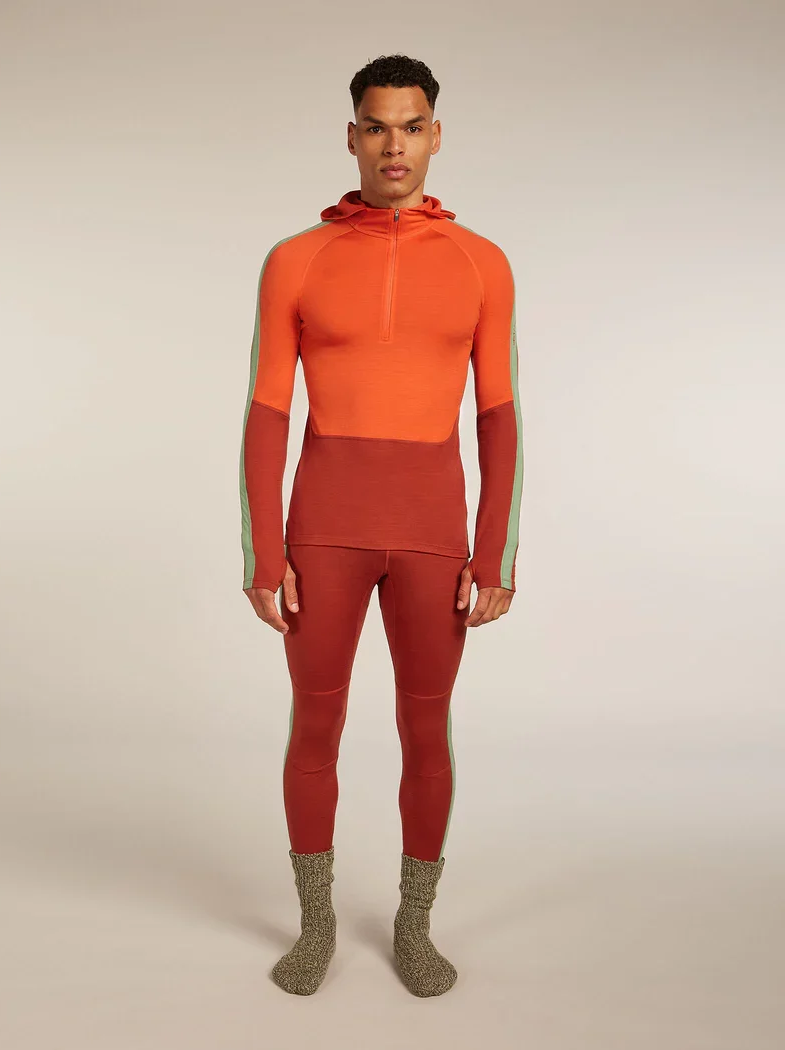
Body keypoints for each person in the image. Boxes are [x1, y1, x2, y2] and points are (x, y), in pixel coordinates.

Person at [239, 53, 524, 997]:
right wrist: (264, 552)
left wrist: (495, 552)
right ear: (352, 136)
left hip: (435, 536)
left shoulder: (482, 263)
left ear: (435, 135)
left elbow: (499, 416)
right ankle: (316, 924)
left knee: (426, 730)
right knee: (314, 726)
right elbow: (266, 414)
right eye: (375, 126)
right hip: (324, 532)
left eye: (410, 126)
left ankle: (413, 924)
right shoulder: (297, 259)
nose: (392, 145)